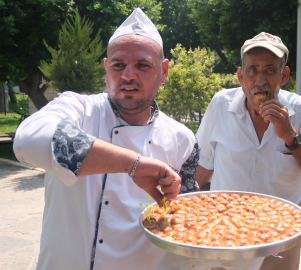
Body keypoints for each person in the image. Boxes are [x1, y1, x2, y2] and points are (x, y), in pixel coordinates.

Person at [13, 8, 199, 270]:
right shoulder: (78, 108)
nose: (128, 75)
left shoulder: (183, 139)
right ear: (106, 68)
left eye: (143, 65)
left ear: (164, 70)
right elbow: (27, 141)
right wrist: (133, 163)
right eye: (118, 65)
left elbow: (187, 219)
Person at [195, 32, 301, 270]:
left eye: (270, 70)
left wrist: (291, 136)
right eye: (252, 70)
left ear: (284, 76)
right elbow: (202, 168)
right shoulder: (220, 105)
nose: (259, 80)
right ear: (241, 76)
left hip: (280, 236)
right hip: (224, 234)